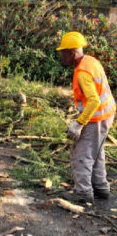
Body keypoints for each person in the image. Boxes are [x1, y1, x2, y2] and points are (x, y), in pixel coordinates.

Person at [57, 31, 116, 203]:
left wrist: (78, 124)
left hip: (97, 117)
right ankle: (101, 188)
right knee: (96, 152)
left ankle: (83, 192)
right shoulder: (90, 61)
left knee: (81, 153)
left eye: (63, 52)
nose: (61, 56)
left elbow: (93, 101)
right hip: (106, 115)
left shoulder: (82, 72)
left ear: (72, 53)